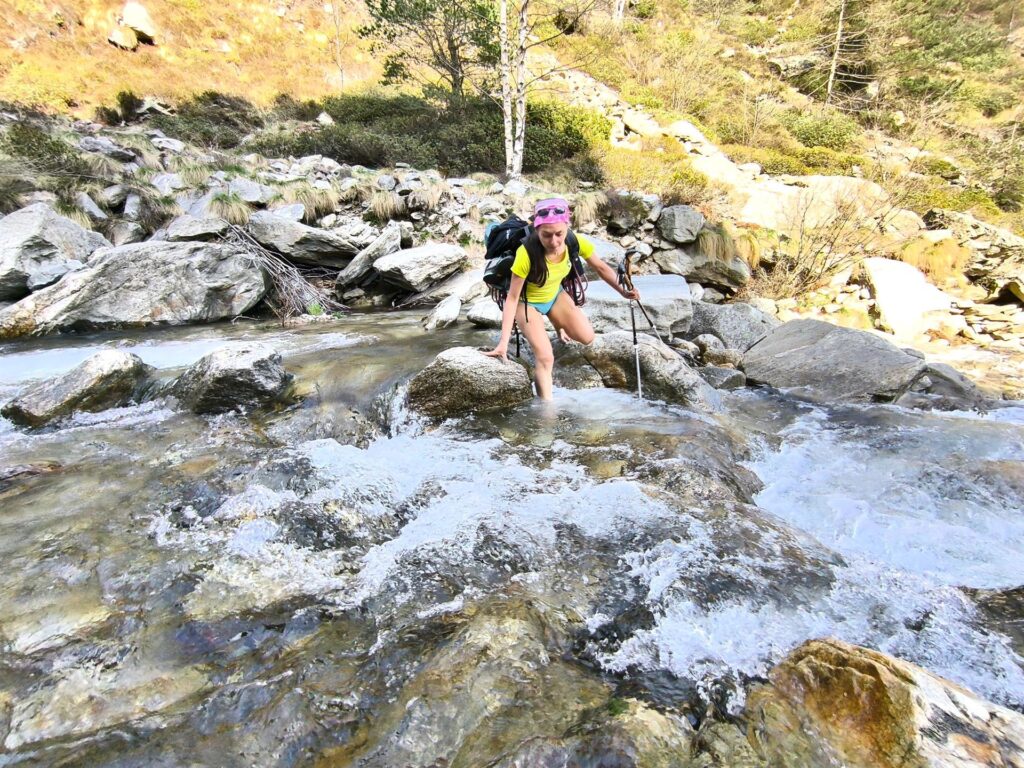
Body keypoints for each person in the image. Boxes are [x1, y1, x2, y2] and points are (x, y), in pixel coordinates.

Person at [484, 197, 640, 400]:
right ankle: (547, 411)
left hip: (554, 294)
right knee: (546, 357)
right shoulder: (526, 253)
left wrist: (623, 291)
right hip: (526, 303)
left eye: (559, 234)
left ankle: (557, 323)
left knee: (587, 337)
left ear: (566, 227)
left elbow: (601, 268)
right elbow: (512, 299)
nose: (554, 241)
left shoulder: (574, 241)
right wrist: (503, 343)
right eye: (546, 235)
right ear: (537, 230)